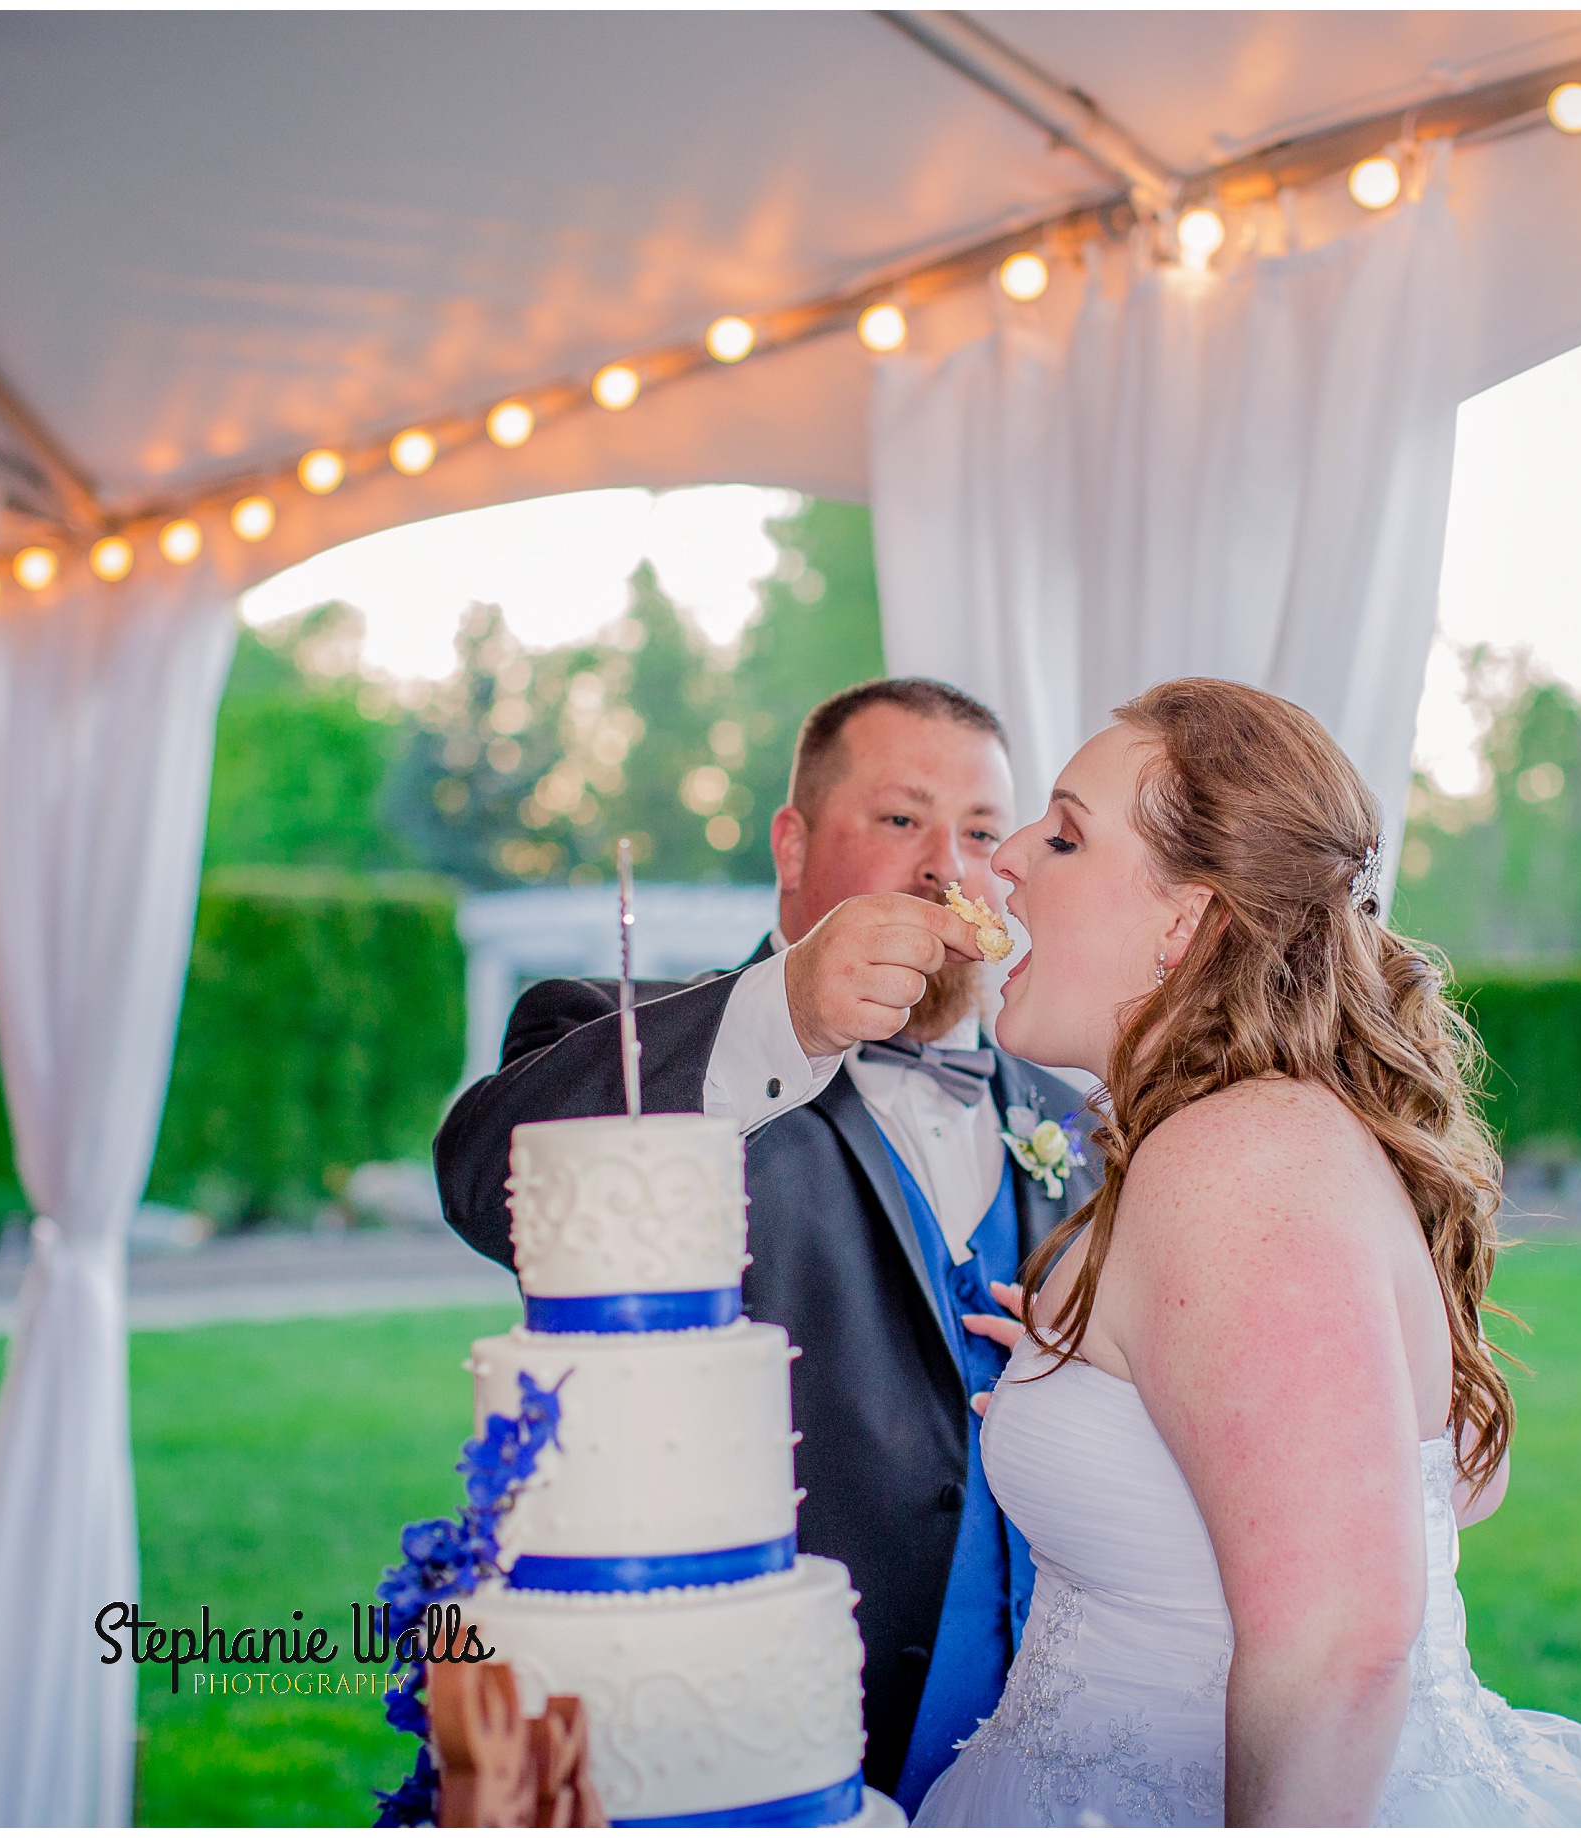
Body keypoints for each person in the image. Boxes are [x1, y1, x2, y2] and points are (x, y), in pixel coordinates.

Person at [916, 678, 1581, 1827]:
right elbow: (1433, 1466)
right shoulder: (1240, 1138)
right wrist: (1102, 1370)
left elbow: (1341, 1641)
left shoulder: (1238, 1156)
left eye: (1066, 834)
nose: (1012, 853)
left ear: (1188, 920)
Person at [433, 678, 1101, 1813]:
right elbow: (491, 1179)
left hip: (1054, 1739)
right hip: (763, 1743)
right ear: (793, 842)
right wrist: (784, 1010)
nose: (949, 864)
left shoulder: (1076, 1109)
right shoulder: (634, 1036)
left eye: (983, 831)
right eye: (900, 819)